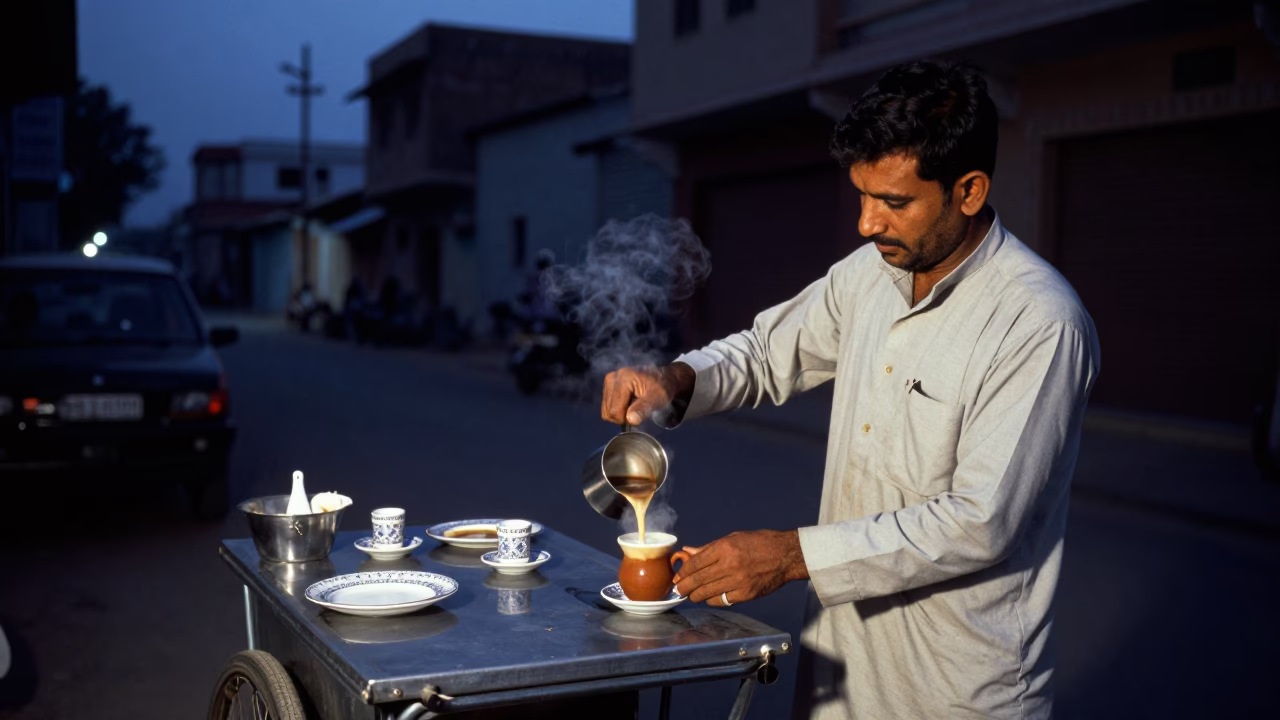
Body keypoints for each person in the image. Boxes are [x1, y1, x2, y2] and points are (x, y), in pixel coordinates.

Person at [601, 60, 1100, 719]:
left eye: (894, 203)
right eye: (863, 195)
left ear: (970, 191)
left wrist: (789, 554)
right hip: (841, 667)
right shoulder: (869, 274)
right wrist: (672, 380)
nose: (867, 224)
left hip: (956, 689)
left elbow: (980, 522)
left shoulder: (1037, 323)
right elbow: (766, 352)